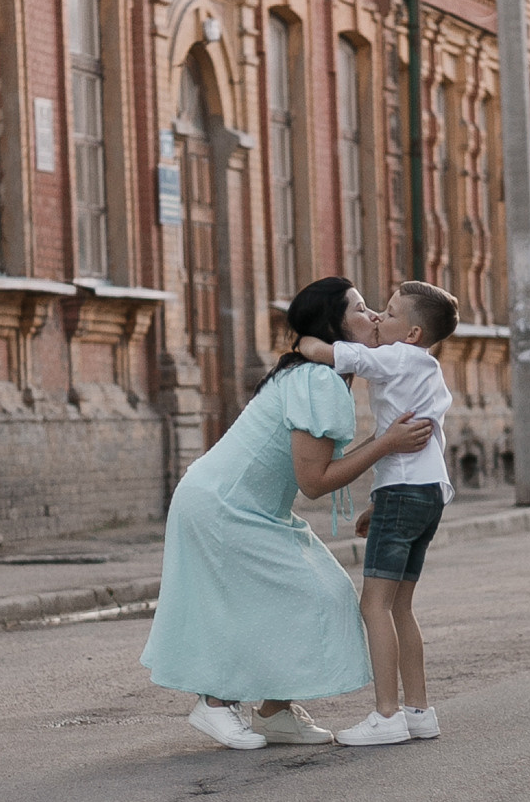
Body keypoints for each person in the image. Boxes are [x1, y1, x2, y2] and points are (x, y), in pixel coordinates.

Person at [140, 275, 434, 750]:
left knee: (318, 595)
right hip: (222, 506)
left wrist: (378, 482)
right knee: (275, 600)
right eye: (361, 309)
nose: (375, 315)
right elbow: (314, 483)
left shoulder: (327, 376)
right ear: (334, 324)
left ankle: (275, 712)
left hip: (250, 509)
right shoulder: (317, 380)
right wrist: (386, 445)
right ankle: (215, 704)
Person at [294, 278, 458, 748]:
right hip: (426, 491)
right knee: (401, 605)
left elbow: (346, 357)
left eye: (387, 312)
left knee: (375, 603)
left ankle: (387, 714)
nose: (378, 319)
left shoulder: (399, 357)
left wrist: (310, 342)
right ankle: (419, 710)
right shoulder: (426, 367)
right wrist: (377, 502)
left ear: (410, 334)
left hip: (404, 491)